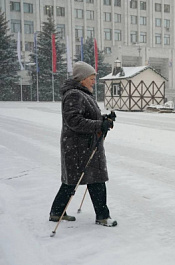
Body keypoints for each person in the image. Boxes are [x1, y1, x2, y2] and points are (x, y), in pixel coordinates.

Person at [49, 61, 117, 227]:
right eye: (91, 78)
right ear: (82, 79)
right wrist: (98, 125)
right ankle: (102, 216)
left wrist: (104, 120)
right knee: (90, 180)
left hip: (85, 145)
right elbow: (74, 121)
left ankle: (57, 212)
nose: (94, 81)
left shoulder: (84, 94)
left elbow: (89, 117)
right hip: (79, 147)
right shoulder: (74, 95)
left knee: (77, 180)